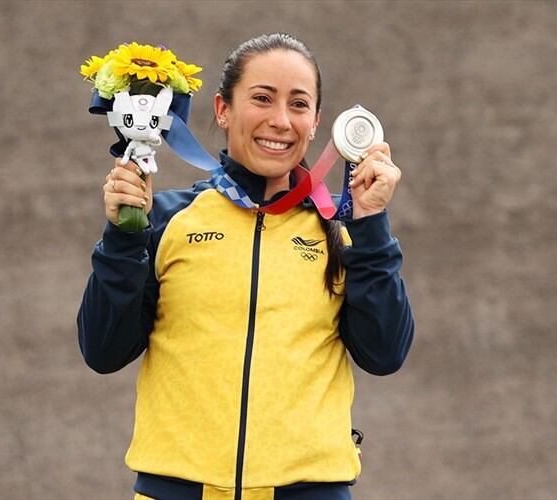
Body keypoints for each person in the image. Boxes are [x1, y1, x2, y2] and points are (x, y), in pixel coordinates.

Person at [77, 33, 414, 500]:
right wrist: (121, 238)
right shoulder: (166, 219)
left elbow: (385, 354)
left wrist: (372, 224)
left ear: (316, 123)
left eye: (299, 105)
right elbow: (103, 350)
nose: (280, 120)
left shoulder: (342, 228)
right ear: (222, 109)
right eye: (261, 98)